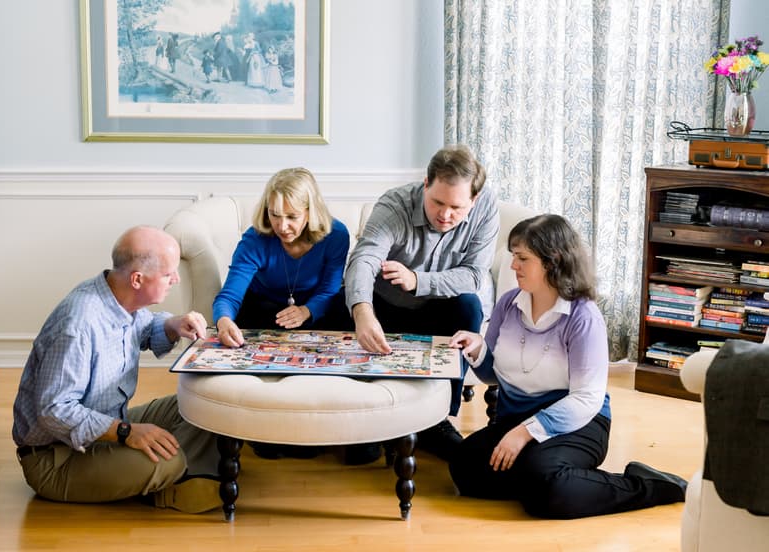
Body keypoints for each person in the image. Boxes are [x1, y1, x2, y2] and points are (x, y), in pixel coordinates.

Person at [448, 214, 687, 519]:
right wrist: (479, 349)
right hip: (517, 418)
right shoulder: (508, 304)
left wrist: (523, 434)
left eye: (522, 258)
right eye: (513, 257)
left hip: (579, 422)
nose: (512, 266)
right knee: (465, 468)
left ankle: (647, 484)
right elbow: (494, 376)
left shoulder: (583, 317)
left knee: (549, 492)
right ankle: (547, 475)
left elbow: (586, 399)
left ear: (552, 261)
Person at [13, 226, 223, 514]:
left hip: (104, 427)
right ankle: (170, 480)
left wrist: (173, 325)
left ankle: (176, 471)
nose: (175, 278)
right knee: (168, 462)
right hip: (56, 458)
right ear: (138, 279)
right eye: (168, 274)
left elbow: (144, 328)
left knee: (200, 403)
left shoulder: (118, 297)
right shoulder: (78, 325)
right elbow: (54, 410)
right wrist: (126, 432)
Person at [344, 144, 499, 461]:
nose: (445, 214)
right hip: (384, 306)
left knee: (469, 306)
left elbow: (472, 276)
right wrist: (362, 312)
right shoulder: (395, 204)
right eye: (437, 202)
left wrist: (417, 280)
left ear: (475, 200)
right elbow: (364, 259)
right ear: (425, 184)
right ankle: (368, 420)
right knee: (341, 301)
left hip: (440, 309)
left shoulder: (486, 209)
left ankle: (441, 418)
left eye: (457, 208)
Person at [212, 167, 357, 461]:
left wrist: (307, 311)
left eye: (292, 216)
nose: (282, 225)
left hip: (316, 308)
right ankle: (267, 426)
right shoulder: (255, 239)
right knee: (254, 320)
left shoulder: (336, 234)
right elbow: (230, 295)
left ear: (310, 212)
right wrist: (223, 319)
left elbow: (330, 290)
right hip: (266, 312)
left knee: (345, 309)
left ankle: (345, 424)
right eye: (275, 214)